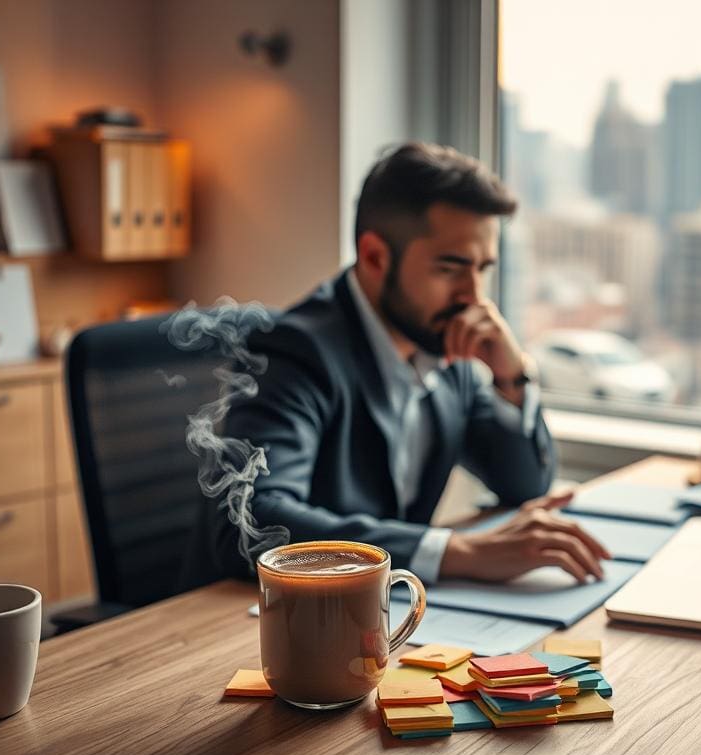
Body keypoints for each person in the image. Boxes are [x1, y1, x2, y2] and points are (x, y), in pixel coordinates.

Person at [211, 142, 611, 585]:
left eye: (482, 269)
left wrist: (511, 375)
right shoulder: (294, 350)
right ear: (375, 257)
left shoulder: (445, 347)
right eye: (450, 268)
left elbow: (525, 484)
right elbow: (254, 522)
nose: (474, 296)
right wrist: (457, 551)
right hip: (250, 622)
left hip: (381, 611)